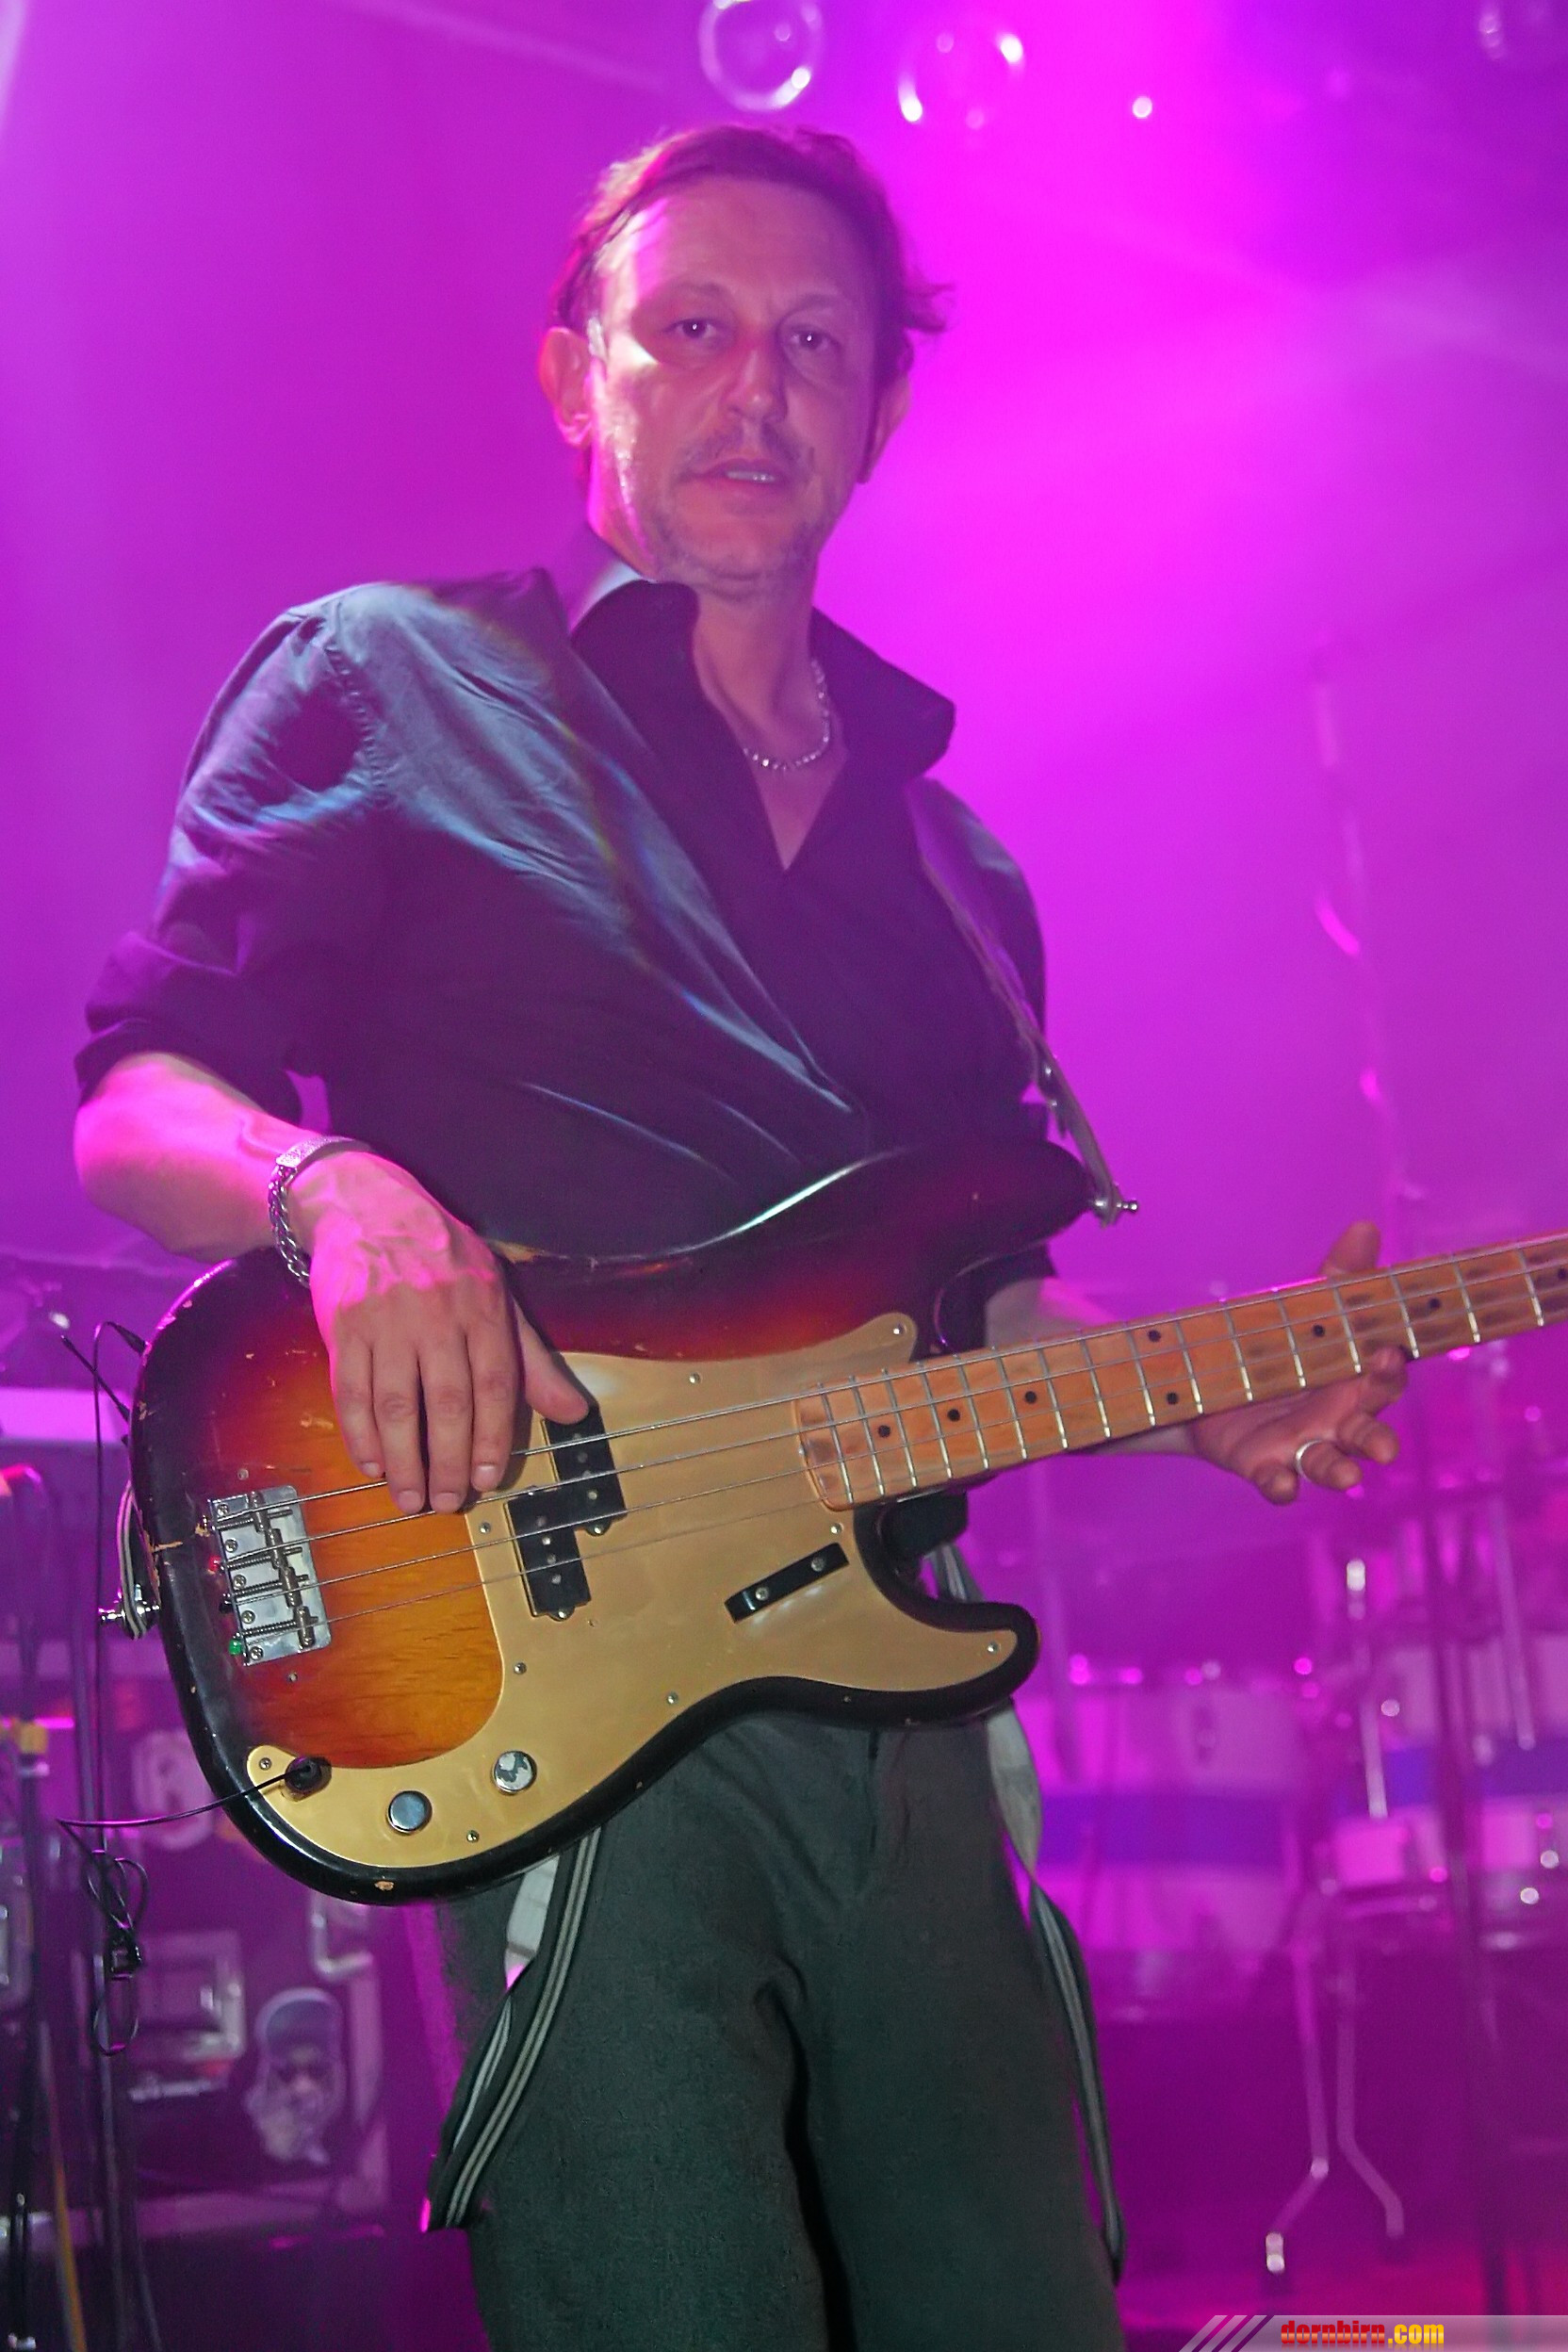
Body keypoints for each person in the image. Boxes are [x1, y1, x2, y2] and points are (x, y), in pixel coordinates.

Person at [74, 124, 1405, 2352]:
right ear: (574, 374)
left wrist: (1201, 1400)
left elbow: (975, 1300)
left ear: (880, 413)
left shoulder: (956, 875)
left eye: (812, 346)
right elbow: (133, 1105)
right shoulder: (390, 679)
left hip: (899, 1706)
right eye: (689, 329)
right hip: (560, 1691)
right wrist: (341, 1191)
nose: (752, 388)